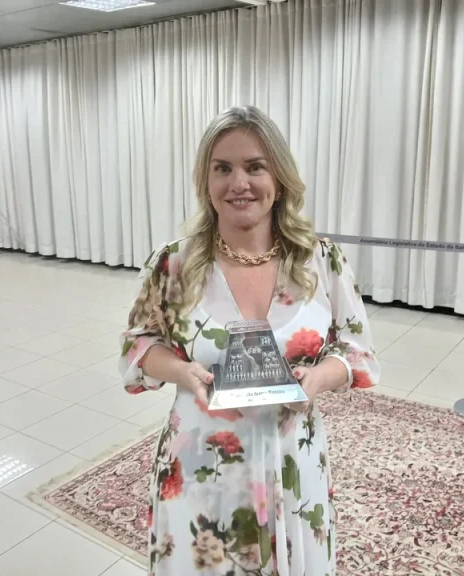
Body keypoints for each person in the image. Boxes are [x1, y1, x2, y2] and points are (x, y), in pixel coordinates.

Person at [119, 106, 380, 575]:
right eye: (223, 168)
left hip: (291, 461)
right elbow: (139, 345)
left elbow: (356, 351)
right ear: (206, 182)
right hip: (201, 464)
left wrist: (318, 378)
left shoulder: (320, 261)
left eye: (255, 167)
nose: (239, 183)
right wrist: (181, 371)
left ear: (278, 178)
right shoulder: (173, 264)